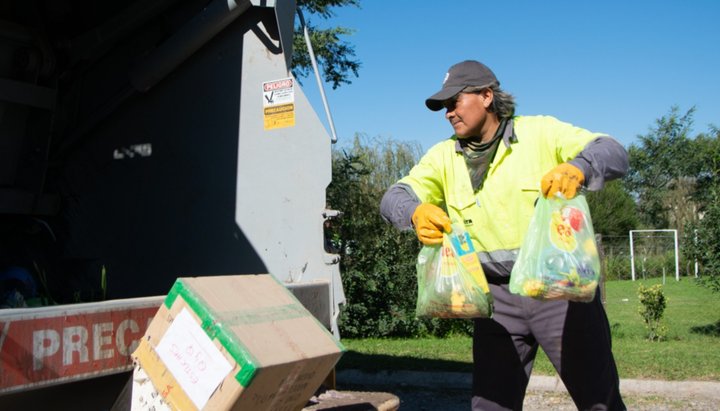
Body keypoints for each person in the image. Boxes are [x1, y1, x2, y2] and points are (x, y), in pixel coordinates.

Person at [380, 60, 627, 411]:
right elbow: (394, 196)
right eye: (444, 107)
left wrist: (579, 168)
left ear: (486, 96)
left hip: (559, 293)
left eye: (454, 102)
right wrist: (414, 211)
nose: (448, 113)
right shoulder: (443, 156)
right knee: (490, 406)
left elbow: (613, 150)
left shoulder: (540, 133)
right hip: (495, 302)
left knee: (598, 401)